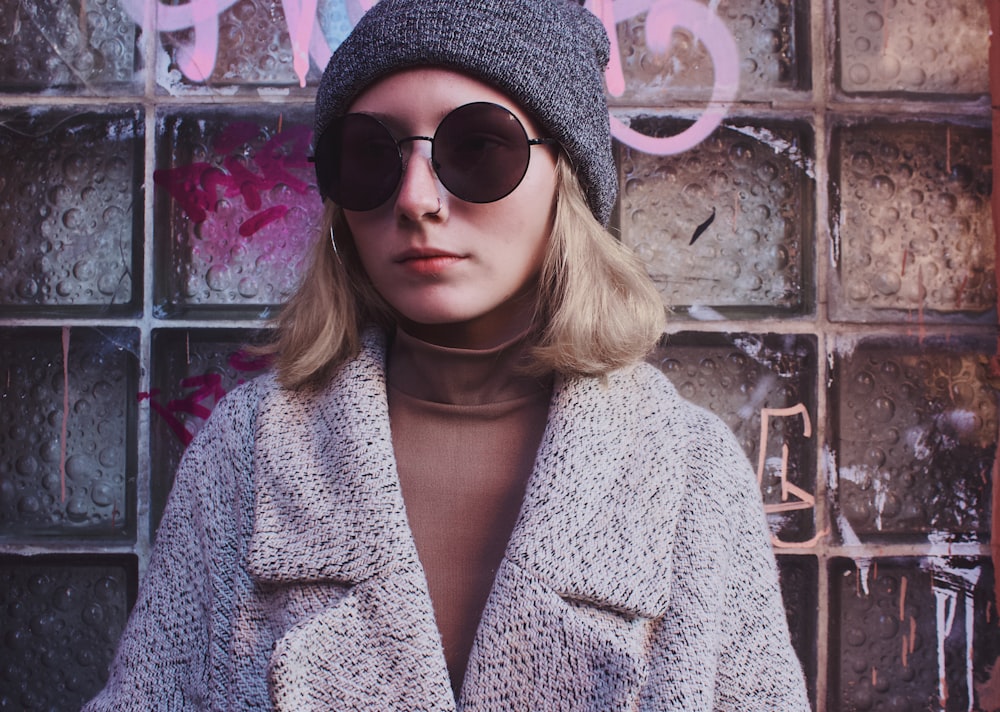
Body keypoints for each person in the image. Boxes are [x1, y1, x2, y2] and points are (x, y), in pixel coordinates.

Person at [85, 0, 810, 709]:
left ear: (568, 177)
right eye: (370, 155)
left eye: (477, 148)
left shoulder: (688, 473)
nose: (416, 198)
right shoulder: (246, 453)